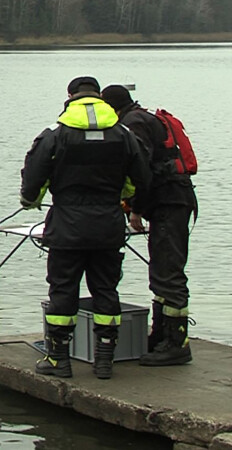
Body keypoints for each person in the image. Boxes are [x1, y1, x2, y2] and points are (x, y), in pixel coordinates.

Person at [19, 76, 151, 379]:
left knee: (63, 290)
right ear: (99, 96)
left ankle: (58, 360)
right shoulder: (124, 134)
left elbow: (33, 179)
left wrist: (30, 201)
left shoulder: (55, 134)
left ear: (70, 96)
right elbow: (140, 179)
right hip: (108, 226)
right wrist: (122, 196)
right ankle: (104, 361)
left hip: (66, 228)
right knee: (106, 290)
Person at [100, 85, 198, 366]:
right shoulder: (141, 118)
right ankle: (161, 335)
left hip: (170, 203)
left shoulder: (133, 124)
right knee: (161, 270)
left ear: (110, 107)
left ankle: (177, 344)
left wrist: (135, 210)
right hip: (171, 201)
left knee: (169, 271)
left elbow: (140, 169)